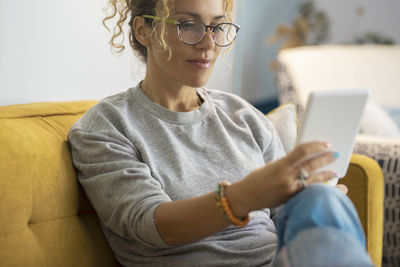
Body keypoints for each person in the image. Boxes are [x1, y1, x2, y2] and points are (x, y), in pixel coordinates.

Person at [68, 0, 374, 266]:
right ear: (143, 30)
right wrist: (243, 196)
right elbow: (152, 225)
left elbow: (284, 217)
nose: (208, 43)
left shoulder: (243, 117)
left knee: (322, 200)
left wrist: (308, 195)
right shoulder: (106, 126)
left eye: (217, 27)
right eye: (188, 25)